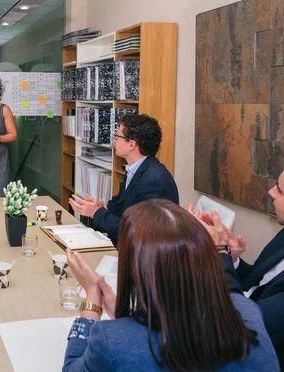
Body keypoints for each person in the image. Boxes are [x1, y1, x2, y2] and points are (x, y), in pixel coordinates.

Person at [63, 199, 279, 372]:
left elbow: (73, 367)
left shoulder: (110, 340)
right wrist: (126, 318)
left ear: (136, 268)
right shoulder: (247, 310)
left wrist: (92, 296)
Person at [191, 170, 284, 367]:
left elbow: (248, 321)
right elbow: (258, 284)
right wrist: (233, 260)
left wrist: (220, 253)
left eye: (280, 190)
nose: (271, 192)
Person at [69, 114, 179, 244]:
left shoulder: (154, 181)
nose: (114, 140)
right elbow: (122, 205)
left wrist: (96, 213)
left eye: (117, 136)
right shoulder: (136, 169)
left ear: (131, 144)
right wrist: (103, 209)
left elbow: (135, 232)